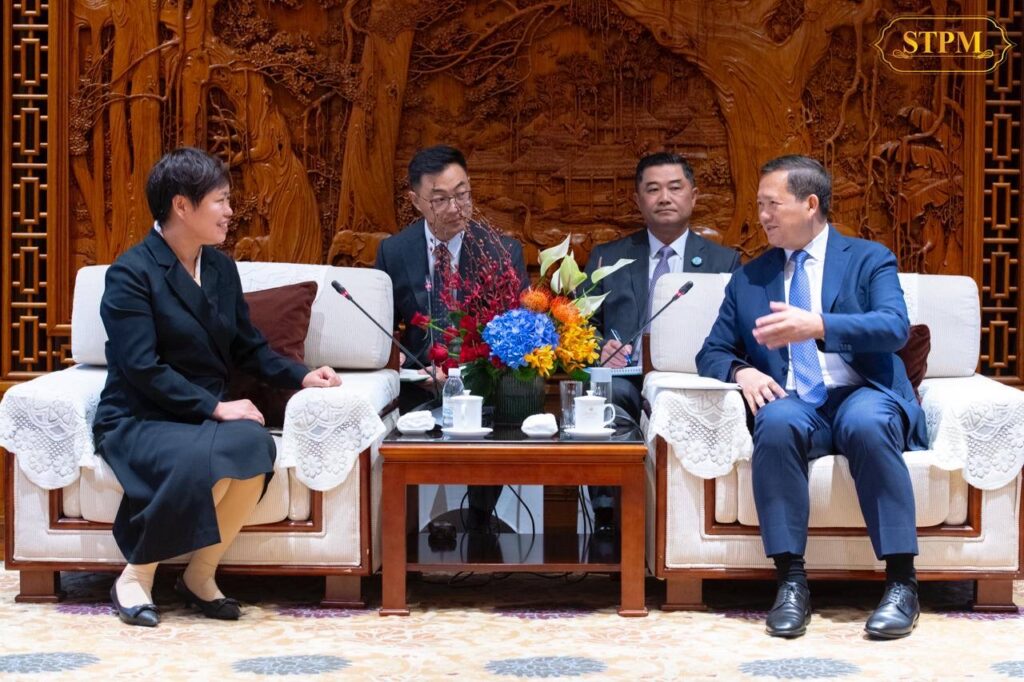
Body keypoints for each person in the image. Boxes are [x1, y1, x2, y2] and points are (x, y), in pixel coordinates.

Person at [93, 148, 341, 627]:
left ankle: (199, 575)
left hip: (200, 417)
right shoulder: (131, 274)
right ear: (182, 206)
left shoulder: (221, 269)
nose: (230, 211)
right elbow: (142, 368)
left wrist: (301, 375)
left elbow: (249, 346)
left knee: (253, 444)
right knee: (205, 456)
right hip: (140, 416)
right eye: (221, 200)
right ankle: (135, 576)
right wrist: (216, 407)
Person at [696, 155, 925, 639]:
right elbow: (711, 351)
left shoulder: (869, 258)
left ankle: (902, 583)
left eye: (772, 204)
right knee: (775, 420)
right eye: (760, 205)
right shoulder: (750, 277)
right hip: (797, 400)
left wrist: (819, 325)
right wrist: (741, 371)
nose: (763, 216)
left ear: (810, 204)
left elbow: (893, 327)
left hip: (863, 391)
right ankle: (791, 583)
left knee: (866, 422)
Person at [375, 145, 528, 532]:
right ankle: (402, 533)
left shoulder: (501, 251)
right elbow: (382, 328)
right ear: (416, 201)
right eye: (440, 199)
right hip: (419, 380)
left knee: (507, 395)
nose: (456, 207)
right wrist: (405, 362)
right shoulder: (394, 251)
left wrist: (471, 370)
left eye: (463, 194)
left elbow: (515, 329)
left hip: (484, 376)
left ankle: (481, 520)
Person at [584, 151, 740, 532]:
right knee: (606, 394)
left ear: (693, 196)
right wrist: (600, 348)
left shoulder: (724, 262)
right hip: (626, 377)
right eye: (653, 189)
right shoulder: (608, 257)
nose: (664, 198)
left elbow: (735, 331)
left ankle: (687, 523)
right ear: (638, 200)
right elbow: (580, 326)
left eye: (674, 188)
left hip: (693, 381)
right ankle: (609, 517)